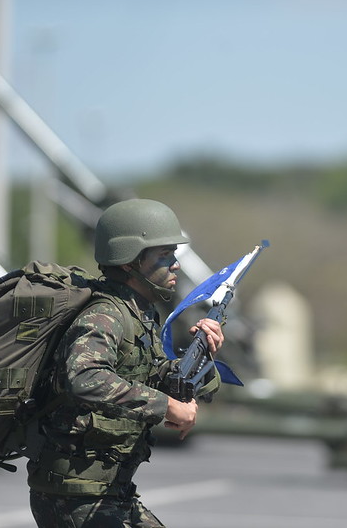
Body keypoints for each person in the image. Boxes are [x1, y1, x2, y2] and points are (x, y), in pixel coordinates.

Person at [27, 199, 224, 527]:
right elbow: (83, 376)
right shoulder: (105, 314)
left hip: (105, 491)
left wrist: (201, 354)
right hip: (74, 496)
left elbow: (159, 375)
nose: (175, 264)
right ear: (130, 260)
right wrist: (167, 408)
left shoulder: (138, 313)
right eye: (164, 255)